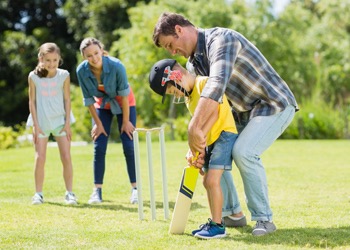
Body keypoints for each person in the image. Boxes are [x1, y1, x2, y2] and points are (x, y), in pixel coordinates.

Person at [152, 12, 298, 236]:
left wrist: (194, 129)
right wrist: (197, 149)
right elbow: (211, 110)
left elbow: (217, 84)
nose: (173, 52)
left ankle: (264, 220)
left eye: (171, 44)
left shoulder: (221, 40)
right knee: (210, 158)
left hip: (272, 104)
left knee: (243, 152)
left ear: (179, 30)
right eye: (168, 50)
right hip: (239, 115)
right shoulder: (192, 66)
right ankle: (232, 214)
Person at [149, 58, 246, 239]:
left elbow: (215, 112)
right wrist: (194, 150)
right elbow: (198, 128)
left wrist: (199, 142)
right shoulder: (188, 98)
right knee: (205, 180)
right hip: (211, 139)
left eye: (171, 90)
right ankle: (215, 221)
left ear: (176, 76)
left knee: (211, 181)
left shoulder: (204, 83)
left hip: (224, 134)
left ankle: (218, 226)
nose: (174, 95)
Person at [76, 37, 138, 205]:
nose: (94, 58)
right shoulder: (81, 71)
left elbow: (124, 96)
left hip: (124, 103)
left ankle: (135, 189)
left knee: (128, 144)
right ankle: (97, 190)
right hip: (101, 106)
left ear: (102, 51)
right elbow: (88, 99)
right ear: (84, 57)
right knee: (99, 145)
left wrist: (126, 121)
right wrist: (98, 123)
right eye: (89, 56)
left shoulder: (117, 66)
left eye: (96, 53)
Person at [27, 42, 77, 205]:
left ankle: (70, 193)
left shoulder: (64, 75)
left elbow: (67, 99)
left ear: (59, 59)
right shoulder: (33, 77)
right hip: (41, 122)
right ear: (41, 58)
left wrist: (67, 123)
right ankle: (38, 194)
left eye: (55, 60)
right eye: (48, 60)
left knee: (66, 156)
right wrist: (36, 125)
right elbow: (32, 101)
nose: (51, 64)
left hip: (60, 122)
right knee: (40, 158)